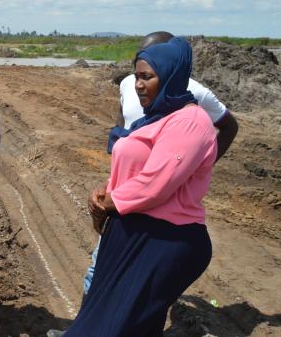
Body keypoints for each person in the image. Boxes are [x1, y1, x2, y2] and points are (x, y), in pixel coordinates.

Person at [56, 37, 218, 336]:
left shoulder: (190, 121)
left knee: (115, 327)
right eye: (136, 77)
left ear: (171, 76)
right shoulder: (153, 119)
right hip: (132, 233)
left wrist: (108, 202)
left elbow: (155, 185)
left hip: (164, 239)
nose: (138, 85)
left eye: (147, 77)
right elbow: (133, 172)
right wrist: (105, 190)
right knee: (121, 324)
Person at [81, 31, 239, 298]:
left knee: (127, 286)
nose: (139, 79)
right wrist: (117, 166)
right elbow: (123, 124)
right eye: (140, 61)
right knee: (101, 273)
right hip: (127, 194)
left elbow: (228, 126)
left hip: (152, 208)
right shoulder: (130, 83)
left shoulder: (194, 95)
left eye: (151, 63)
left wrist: (194, 168)